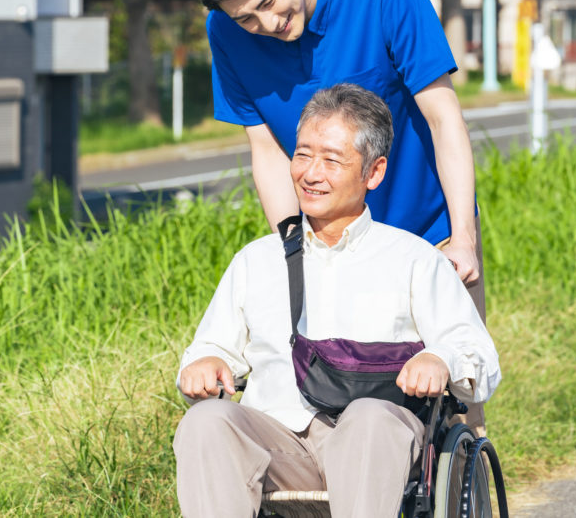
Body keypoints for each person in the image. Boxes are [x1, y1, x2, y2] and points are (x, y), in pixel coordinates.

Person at [173, 84, 500, 518]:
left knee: (366, 418)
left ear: (374, 172)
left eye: (331, 159)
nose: (310, 173)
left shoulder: (414, 259)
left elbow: (477, 353)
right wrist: (204, 363)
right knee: (204, 421)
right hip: (279, 446)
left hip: (378, 444)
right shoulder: (257, 260)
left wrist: (440, 358)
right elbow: (212, 347)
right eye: (303, 155)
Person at [190, 0, 484, 318]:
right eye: (246, 19)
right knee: (342, 381)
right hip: (330, 255)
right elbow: (269, 152)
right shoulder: (225, 33)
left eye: (269, 2)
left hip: (431, 236)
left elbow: (444, 119)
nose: (267, 24)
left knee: (454, 375)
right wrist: (295, 258)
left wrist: (463, 239)